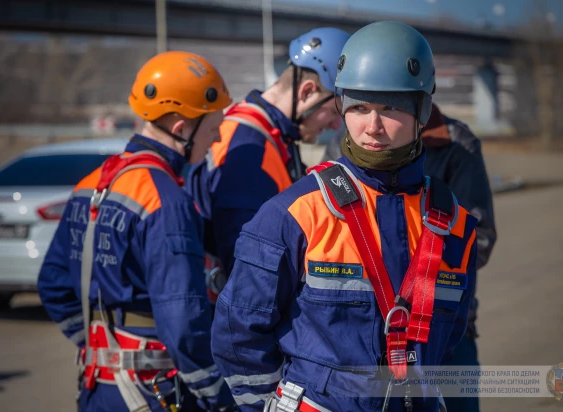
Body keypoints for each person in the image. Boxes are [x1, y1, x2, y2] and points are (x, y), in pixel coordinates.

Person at [211, 21, 478, 411]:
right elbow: (238, 333)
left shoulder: (453, 224)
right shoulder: (296, 213)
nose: (372, 127)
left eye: (390, 109)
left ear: (423, 109)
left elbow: (447, 337)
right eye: (358, 108)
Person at [37, 51, 235, 412]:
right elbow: (184, 325)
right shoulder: (166, 200)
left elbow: (53, 284)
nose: (219, 135)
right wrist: (218, 398)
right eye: (213, 125)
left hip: (99, 386)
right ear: (181, 128)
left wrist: (101, 348)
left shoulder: (90, 185)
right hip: (154, 392)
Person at [323, 103, 497, 412]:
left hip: (445, 329)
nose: (375, 126)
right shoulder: (348, 139)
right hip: (361, 330)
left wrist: (409, 280)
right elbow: (328, 228)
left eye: (392, 103)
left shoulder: (456, 143)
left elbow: (478, 238)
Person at [188, 28, 350, 279]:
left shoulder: (269, 135)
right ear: (306, 92)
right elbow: (246, 270)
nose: (335, 125)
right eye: (332, 112)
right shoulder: (249, 151)